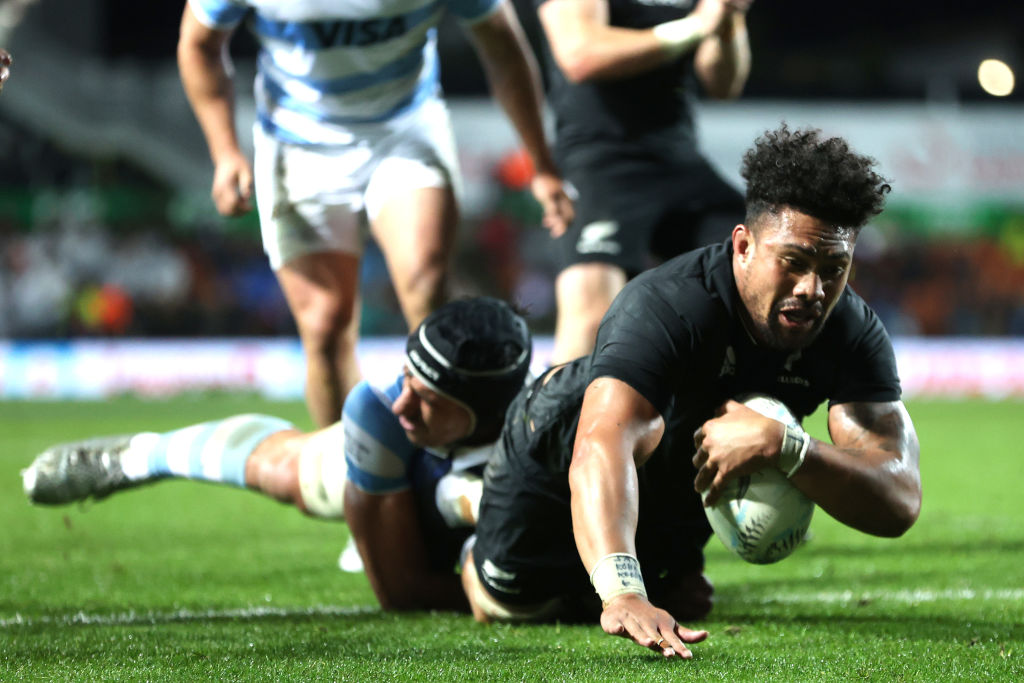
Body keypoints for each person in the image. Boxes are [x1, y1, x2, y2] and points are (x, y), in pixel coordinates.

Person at [460, 125, 923, 658]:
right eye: (793, 262)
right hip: (551, 454)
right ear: (743, 246)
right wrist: (623, 591)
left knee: (686, 600)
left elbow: (900, 497)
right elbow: (602, 444)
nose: (812, 290)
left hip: (665, 487)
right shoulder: (669, 305)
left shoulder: (851, 330)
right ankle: (467, 503)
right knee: (510, 607)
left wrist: (788, 446)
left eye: (834, 269)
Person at [178, 0, 572, 428]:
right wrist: (224, 152)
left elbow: (502, 43)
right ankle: (346, 480)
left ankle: (446, 461)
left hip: (404, 131)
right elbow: (198, 44)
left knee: (427, 290)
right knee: (325, 329)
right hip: (298, 143)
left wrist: (542, 164)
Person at [22, 297, 532, 612]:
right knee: (289, 471)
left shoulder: (542, 434)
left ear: (482, 410)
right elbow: (400, 592)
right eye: (405, 378)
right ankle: (140, 457)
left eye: (426, 398)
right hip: (412, 472)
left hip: (479, 492)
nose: (403, 402)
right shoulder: (382, 413)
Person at [534, 0, 753, 364]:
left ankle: (747, 412)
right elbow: (580, 54)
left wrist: (729, 19)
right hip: (600, 162)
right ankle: (554, 419)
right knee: (592, 321)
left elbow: (723, 83)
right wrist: (697, 26)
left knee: (756, 271)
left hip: (678, 159)